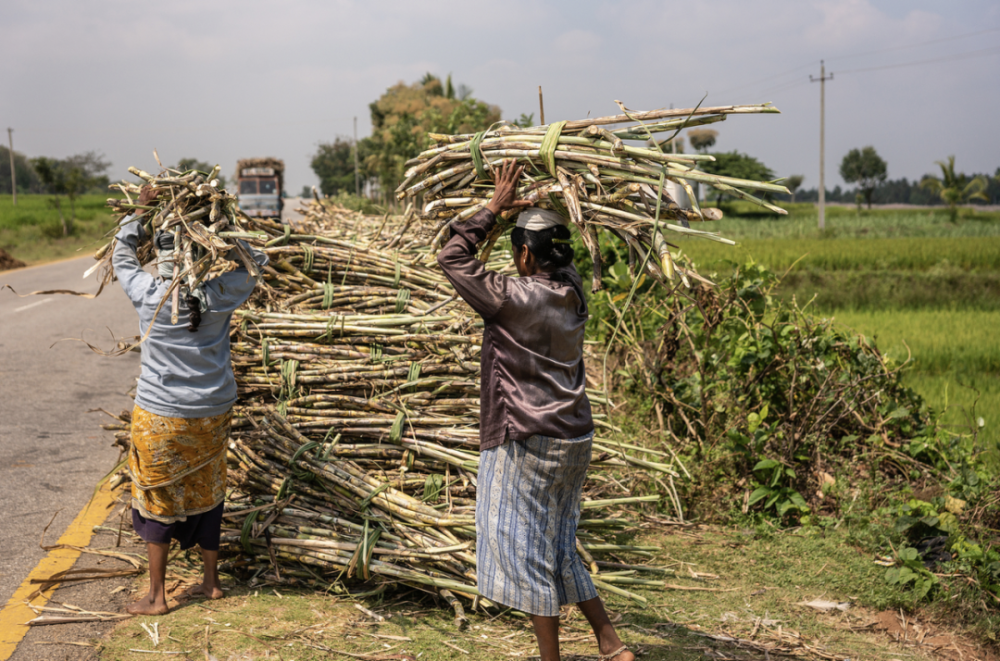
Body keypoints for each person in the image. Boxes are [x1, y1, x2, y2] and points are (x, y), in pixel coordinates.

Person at [437, 161, 634, 661]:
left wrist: (493, 210)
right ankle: (610, 643)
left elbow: (453, 257)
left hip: (526, 439)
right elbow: (557, 254)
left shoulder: (509, 298)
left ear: (524, 255)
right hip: (574, 437)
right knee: (559, 545)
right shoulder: (572, 292)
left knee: (523, 552)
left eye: (516, 250)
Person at [113, 186, 268, 615]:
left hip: (161, 414)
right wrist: (223, 224)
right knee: (208, 488)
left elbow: (121, 257)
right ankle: (211, 582)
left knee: (157, 497)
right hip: (213, 411)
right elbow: (259, 263)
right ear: (200, 255)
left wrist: (140, 214)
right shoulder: (218, 295)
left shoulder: (148, 292)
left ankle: (157, 596)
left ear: (162, 258)